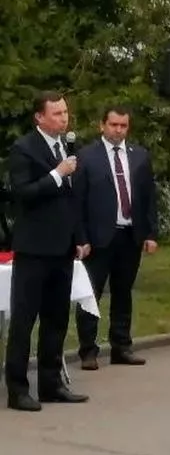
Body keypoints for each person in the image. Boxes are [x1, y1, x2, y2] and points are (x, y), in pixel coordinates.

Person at [4, 91, 90, 411]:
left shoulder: (67, 148)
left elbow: (73, 200)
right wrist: (57, 174)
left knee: (56, 319)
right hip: (34, 248)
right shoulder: (24, 148)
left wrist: (80, 236)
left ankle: (52, 384)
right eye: (56, 114)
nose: (63, 119)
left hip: (63, 247)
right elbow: (23, 193)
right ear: (39, 117)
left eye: (65, 112)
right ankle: (17, 389)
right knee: (24, 320)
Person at [73, 105, 159, 369]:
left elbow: (148, 198)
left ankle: (121, 346)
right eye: (113, 125)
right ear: (102, 125)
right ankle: (88, 350)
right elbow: (77, 201)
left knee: (123, 293)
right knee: (91, 294)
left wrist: (150, 232)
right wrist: (81, 237)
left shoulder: (140, 156)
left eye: (123, 126)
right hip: (97, 239)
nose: (118, 130)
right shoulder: (86, 157)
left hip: (130, 235)